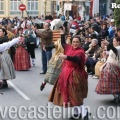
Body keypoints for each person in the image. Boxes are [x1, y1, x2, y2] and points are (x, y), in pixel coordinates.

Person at [48, 32, 89, 119]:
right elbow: (63, 44)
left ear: (80, 43)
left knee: (76, 95)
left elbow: (77, 59)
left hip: (75, 75)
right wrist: (62, 34)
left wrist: (66, 57)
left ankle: (85, 114)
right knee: (70, 95)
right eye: (73, 41)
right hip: (65, 74)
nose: (75, 43)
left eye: (77, 42)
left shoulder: (80, 51)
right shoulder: (69, 48)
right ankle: (76, 113)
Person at [95, 37, 120, 104]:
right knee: (111, 84)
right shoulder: (114, 48)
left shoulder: (119, 48)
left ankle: (117, 96)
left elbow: (115, 50)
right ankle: (116, 97)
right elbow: (109, 50)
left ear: (118, 42)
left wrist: (109, 44)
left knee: (114, 83)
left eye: (114, 41)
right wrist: (105, 44)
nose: (113, 42)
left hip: (114, 67)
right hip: (109, 66)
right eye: (113, 41)